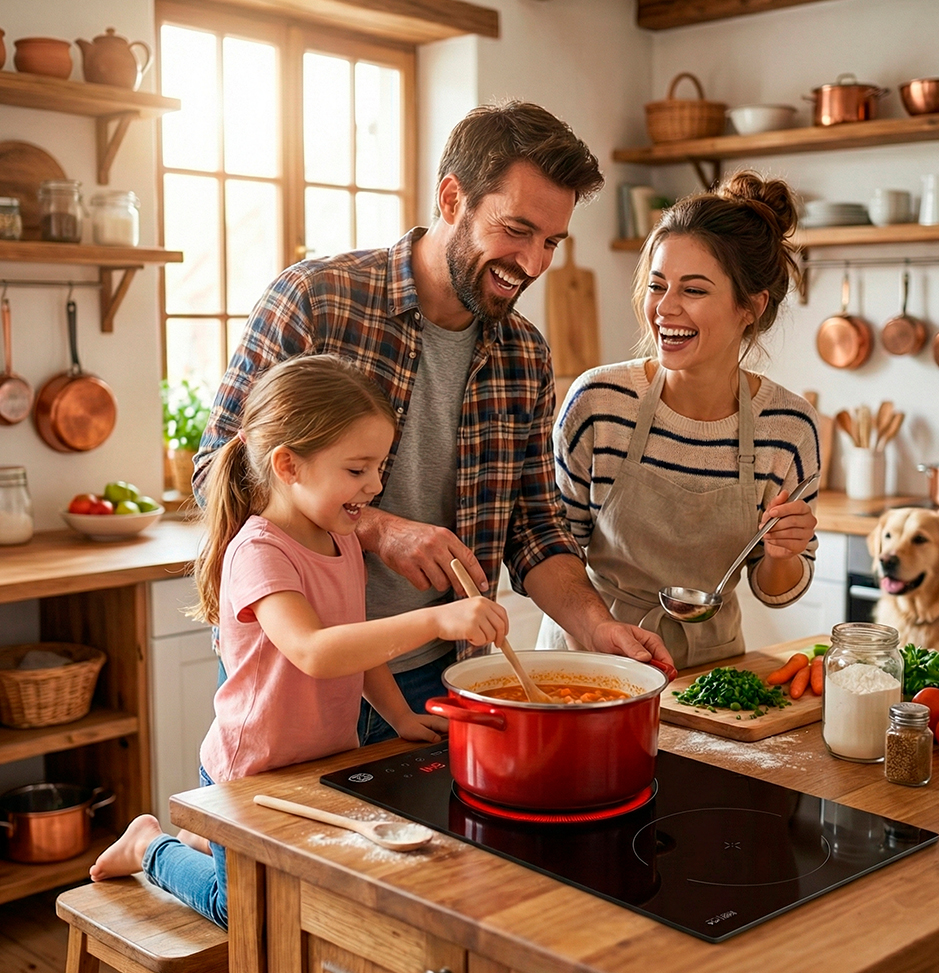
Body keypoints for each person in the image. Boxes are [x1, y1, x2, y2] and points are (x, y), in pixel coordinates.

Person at [194, 100, 672, 745]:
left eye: (551, 242)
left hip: (437, 675)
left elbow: (534, 528)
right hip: (293, 678)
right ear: (452, 199)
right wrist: (379, 529)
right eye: (517, 230)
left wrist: (596, 627)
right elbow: (220, 471)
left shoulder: (524, 354)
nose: (534, 264)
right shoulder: (318, 300)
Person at [89, 354, 508, 928]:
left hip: (318, 763)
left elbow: (355, 645)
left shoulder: (344, 539)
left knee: (304, 901)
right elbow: (315, 650)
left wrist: (400, 718)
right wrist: (437, 621)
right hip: (251, 771)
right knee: (242, 912)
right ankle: (149, 845)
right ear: (288, 465)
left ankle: (210, 843)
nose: (376, 485)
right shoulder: (259, 552)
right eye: (357, 470)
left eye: (379, 467)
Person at [541, 171, 819, 670]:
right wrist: (596, 633)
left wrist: (784, 553)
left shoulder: (788, 428)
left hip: (710, 672)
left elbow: (775, 591)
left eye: (693, 290)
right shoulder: (600, 403)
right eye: (657, 285)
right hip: (589, 660)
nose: (665, 308)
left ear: (750, 307)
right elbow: (552, 547)